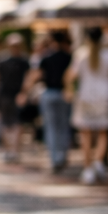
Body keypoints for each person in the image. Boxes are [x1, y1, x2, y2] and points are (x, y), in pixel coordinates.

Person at [67, 26, 108, 185]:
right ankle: (98, 161)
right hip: (105, 95)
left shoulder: (81, 54)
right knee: (103, 132)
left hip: (86, 95)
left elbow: (72, 75)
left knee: (86, 133)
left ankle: (88, 167)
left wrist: (70, 90)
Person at [33, 30, 72, 173]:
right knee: (63, 125)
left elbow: (37, 76)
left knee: (51, 127)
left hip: (49, 94)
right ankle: (62, 155)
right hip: (64, 94)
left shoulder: (46, 57)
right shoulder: (69, 57)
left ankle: (55, 157)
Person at [0, 34, 30, 162]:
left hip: (16, 95)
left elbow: (27, 79)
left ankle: (14, 150)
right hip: (5, 95)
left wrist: (24, 93)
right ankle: (10, 150)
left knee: (15, 123)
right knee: (7, 124)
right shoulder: (3, 60)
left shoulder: (23, 61)